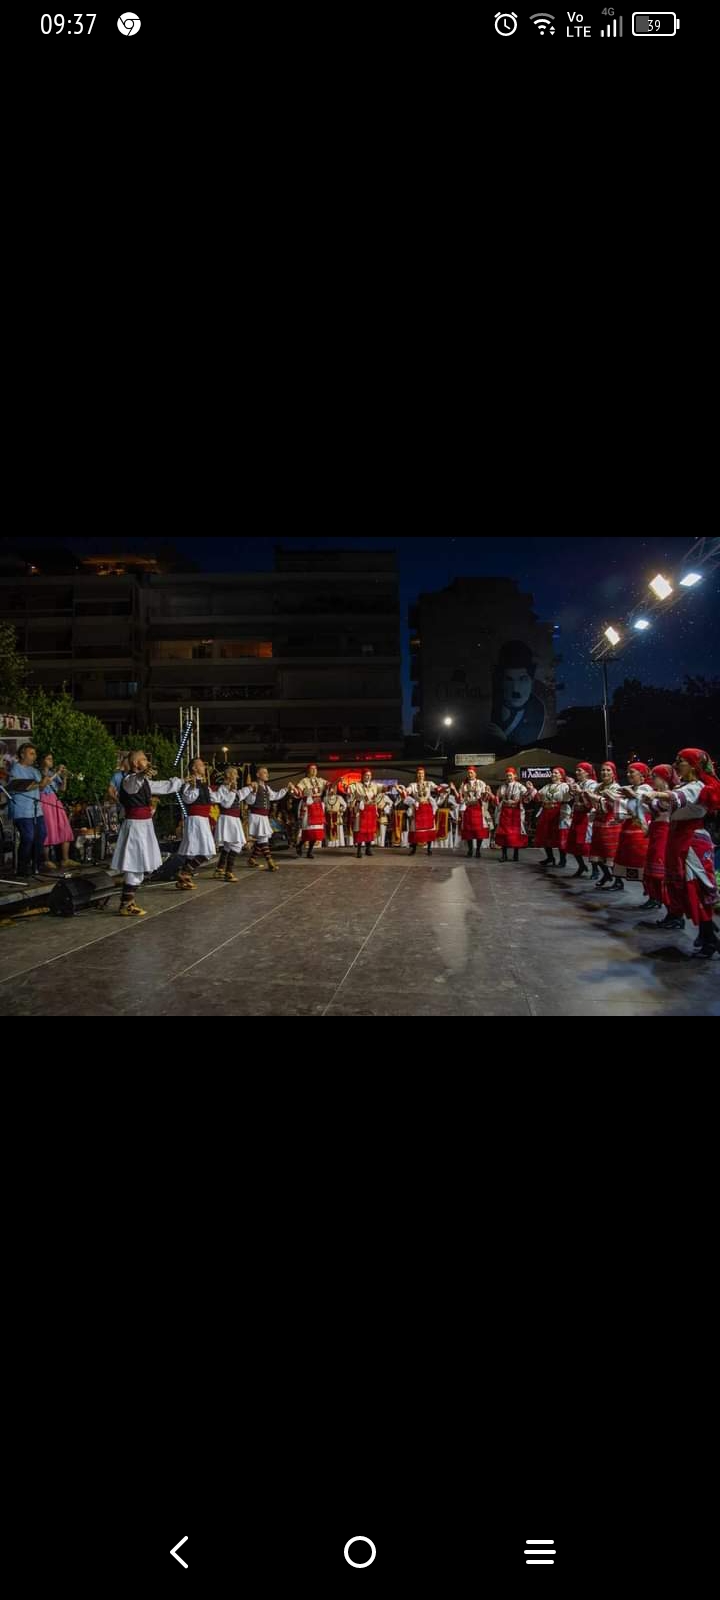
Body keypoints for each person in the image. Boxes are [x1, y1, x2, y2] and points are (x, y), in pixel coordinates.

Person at [644, 748, 720, 957]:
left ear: (694, 766)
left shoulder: (698, 787)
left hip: (692, 842)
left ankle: (710, 939)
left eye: (681, 761)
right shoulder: (685, 786)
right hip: (679, 839)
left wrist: (656, 793)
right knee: (683, 888)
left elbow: (676, 798)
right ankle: (706, 932)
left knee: (694, 888)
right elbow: (663, 805)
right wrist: (648, 798)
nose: (676, 764)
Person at [111, 751, 183, 915]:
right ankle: (126, 904)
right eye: (144, 759)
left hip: (144, 825)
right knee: (134, 863)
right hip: (135, 826)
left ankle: (127, 901)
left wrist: (182, 781)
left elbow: (163, 786)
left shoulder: (144, 781)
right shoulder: (129, 780)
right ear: (136, 763)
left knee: (140, 863)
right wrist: (142, 774)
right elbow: (134, 782)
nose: (147, 761)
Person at [488, 640, 549, 746]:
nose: (515, 689)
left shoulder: (536, 708)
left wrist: (504, 740)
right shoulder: (491, 702)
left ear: (531, 681)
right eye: (509, 679)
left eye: (522, 679)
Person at [8, 743, 53, 878]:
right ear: (22, 754)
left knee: (42, 835)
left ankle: (36, 864)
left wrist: (44, 780)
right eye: (31, 753)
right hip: (21, 810)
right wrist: (39, 784)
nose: (34, 756)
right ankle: (23, 867)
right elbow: (19, 787)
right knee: (28, 837)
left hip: (36, 810)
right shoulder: (15, 769)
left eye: (35, 754)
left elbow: (41, 788)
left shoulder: (34, 771)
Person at [610, 763, 656, 893]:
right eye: (628, 772)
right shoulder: (628, 789)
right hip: (628, 827)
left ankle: (651, 891)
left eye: (632, 772)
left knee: (640, 859)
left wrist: (630, 796)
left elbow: (644, 807)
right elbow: (624, 808)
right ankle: (618, 882)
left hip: (640, 828)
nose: (628, 774)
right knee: (622, 856)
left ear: (642, 776)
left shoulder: (646, 788)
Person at [175, 759, 219, 890]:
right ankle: (185, 872)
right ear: (194, 768)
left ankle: (184, 878)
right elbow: (188, 798)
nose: (204, 766)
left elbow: (215, 798)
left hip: (203, 819)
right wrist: (194, 786)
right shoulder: (189, 783)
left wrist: (227, 789)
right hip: (196, 819)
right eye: (201, 765)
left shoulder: (204, 784)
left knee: (194, 850)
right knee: (208, 850)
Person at [243, 766, 293, 871]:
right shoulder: (254, 785)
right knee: (263, 839)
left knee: (262, 839)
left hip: (264, 816)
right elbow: (249, 801)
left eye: (267, 772)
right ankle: (270, 861)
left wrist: (286, 789)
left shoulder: (266, 787)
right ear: (258, 775)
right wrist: (253, 792)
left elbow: (275, 796)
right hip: (256, 815)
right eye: (264, 772)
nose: (267, 774)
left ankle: (252, 859)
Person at [639, 764, 674, 914]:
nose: (652, 779)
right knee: (650, 865)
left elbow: (662, 806)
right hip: (655, 830)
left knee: (659, 868)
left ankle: (670, 907)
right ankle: (655, 898)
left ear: (664, 778)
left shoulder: (671, 794)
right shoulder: (656, 794)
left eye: (655, 777)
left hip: (665, 832)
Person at [588, 762, 627, 886]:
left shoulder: (616, 787)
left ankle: (618, 881)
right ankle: (606, 875)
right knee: (597, 852)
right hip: (598, 822)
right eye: (603, 770)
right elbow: (592, 802)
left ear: (613, 773)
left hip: (611, 823)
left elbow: (611, 804)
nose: (605, 772)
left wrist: (596, 798)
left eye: (608, 770)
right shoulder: (598, 787)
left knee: (610, 853)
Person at [527, 767, 573, 869]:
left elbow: (569, 796)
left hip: (558, 813)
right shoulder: (547, 786)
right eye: (552, 773)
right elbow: (538, 797)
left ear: (561, 775)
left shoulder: (564, 786)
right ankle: (550, 857)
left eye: (556, 773)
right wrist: (531, 789)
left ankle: (563, 859)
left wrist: (571, 786)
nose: (553, 774)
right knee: (545, 835)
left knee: (560, 836)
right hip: (546, 813)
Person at [38, 753, 77, 870]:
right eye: (48, 759)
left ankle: (65, 859)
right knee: (48, 829)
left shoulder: (52, 772)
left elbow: (62, 789)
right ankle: (46, 860)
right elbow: (43, 785)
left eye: (52, 759)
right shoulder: (38, 772)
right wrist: (57, 773)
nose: (51, 761)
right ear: (42, 760)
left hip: (55, 801)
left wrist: (64, 777)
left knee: (64, 827)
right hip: (44, 801)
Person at [213, 766, 247, 881]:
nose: (237, 776)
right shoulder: (223, 788)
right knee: (237, 845)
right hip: (227, 818)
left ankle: (220, 868)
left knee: (228, 846)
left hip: (233, 819)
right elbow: (226, 804)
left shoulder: (233, 789)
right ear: (228, 775)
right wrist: (232, 791)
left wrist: (250, 788)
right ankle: (228, 872)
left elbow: (240, 796)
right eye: (235, 774)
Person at [401, 768, 444, 857]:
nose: (420, 775)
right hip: (418, 808)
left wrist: (444, 788)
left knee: (429, 828)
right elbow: (406, 791)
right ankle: (413, 849)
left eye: (422, 773)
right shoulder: (413, 785)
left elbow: (438, 789)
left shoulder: (429, 783)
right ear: (416, 775)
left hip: (427, 808)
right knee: (414, 828)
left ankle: (429, 849)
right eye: (419, 773)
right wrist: (402, 791)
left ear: (424, 775)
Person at [566, 763, 599, 879]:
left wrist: (580, 792)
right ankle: (581, 865)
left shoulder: (592, 784)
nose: (577, 773)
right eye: (576, 770)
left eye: (579, 770)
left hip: (587, 817)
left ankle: (595, 870)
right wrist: (571, 790)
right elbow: (573, 799)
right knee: (573, 843)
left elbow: (591, 802)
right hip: (577, 816)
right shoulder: (578, 784)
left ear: (587, 772)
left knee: (588, 844)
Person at [453, 767, 493, 859]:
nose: (470, 774)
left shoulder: (481, 783)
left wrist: (487, 793)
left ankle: (478, 850)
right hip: (468, 809)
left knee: (479, 831)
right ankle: (470, 850)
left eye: (471, 773)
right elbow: (460, 799)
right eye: (468, 773)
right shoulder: (464, 785)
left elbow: (485, 798)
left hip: (478, 809)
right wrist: (455, 790)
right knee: (469, 831)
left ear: (475, 774)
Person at [493, 768, 530, 862]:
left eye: (510, 775)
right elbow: (497, 797)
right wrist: (495, 798)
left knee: (516, 833)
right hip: (505, 812)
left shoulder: (520, 786)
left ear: (515, 776)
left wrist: (529, 789)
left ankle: (515, 854)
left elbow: (526, 796)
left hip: (515, 812)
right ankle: (504, 855)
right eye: (507, 776)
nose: (509, 777)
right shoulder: (502, 787)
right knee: (503, 833)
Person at [347, 770, 383, 859]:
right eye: (366, 775)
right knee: (359, 829)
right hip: (361, 809)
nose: (368, 777)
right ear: (362, 776)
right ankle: (359, 850)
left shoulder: (374, 785)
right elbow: (349, 790)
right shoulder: (356, 785)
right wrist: (348, 790)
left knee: (370, 830)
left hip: (371, 809)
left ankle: (368, 848)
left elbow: (383, 789)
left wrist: (392, 787)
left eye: (369, 775)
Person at [295, 763, 328, 860]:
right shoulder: (304, 781)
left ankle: (309, 851)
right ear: (308, 770)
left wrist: (337, 781)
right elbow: (298, 791)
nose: (314, 771)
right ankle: (299, 845)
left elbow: (329, 785)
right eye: (312, 769)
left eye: (315, 769)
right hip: (308, 806)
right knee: (308, 830)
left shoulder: (320, 780)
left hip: (317, 806)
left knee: (316, 832)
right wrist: (294, 790)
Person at [325, 785, 347, 849]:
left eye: (333, 789)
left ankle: (337, 843)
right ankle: (329, 844)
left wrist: (341, 811)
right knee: (329, 829)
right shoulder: (325, 798)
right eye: (330, 789)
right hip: (328, 816)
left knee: (337, 829)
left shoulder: (339, 797)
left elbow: (345, 805)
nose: (332, 791)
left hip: (337, 816)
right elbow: (324, 807)